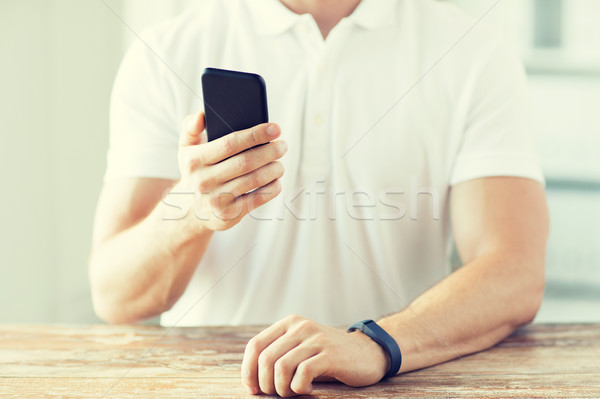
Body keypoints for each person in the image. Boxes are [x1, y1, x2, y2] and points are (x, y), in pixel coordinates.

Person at [89, 0, 549, 396]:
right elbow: (116, 296)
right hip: (214, 387)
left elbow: (514, 272)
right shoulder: (164, 52)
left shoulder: (473, 52)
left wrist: (375, 343)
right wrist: (191, 212)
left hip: (400, 384)